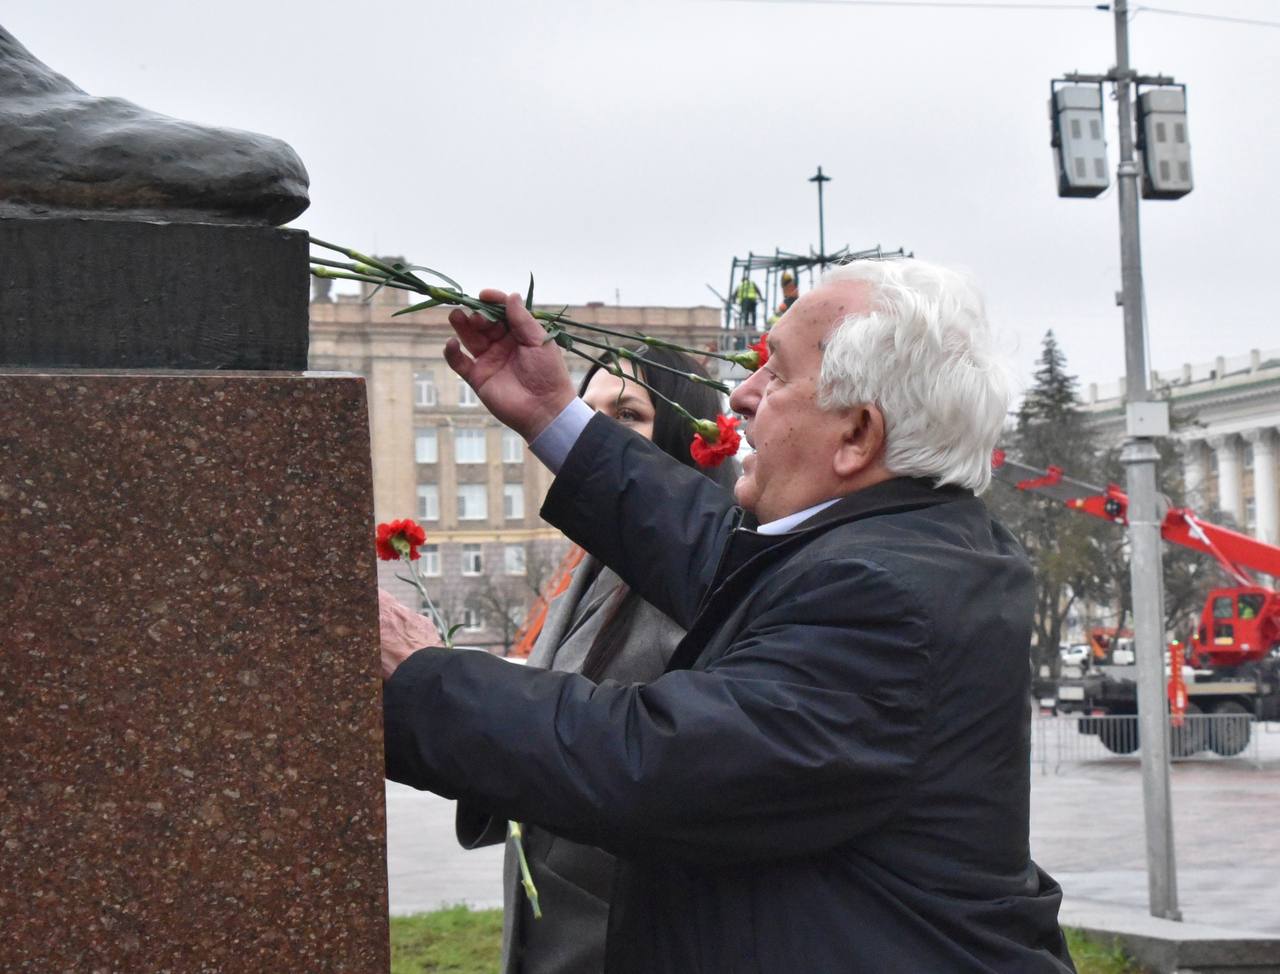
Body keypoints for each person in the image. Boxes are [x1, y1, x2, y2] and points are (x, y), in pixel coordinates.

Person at [378, 257, 1075, 972]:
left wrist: (422, 678)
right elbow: (703, 541)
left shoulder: (886, 597)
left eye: (775, 374)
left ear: (858, 434)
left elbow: (651, 766)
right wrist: (557, 418)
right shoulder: (903, 541)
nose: (741, 395)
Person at [465, 346, 738, 974]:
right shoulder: (595, 564)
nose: (591, 438)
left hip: (628, 933)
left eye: (626, 417)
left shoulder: (703, 588)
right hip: (553, 927)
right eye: (583, 415)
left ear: (688, 438)